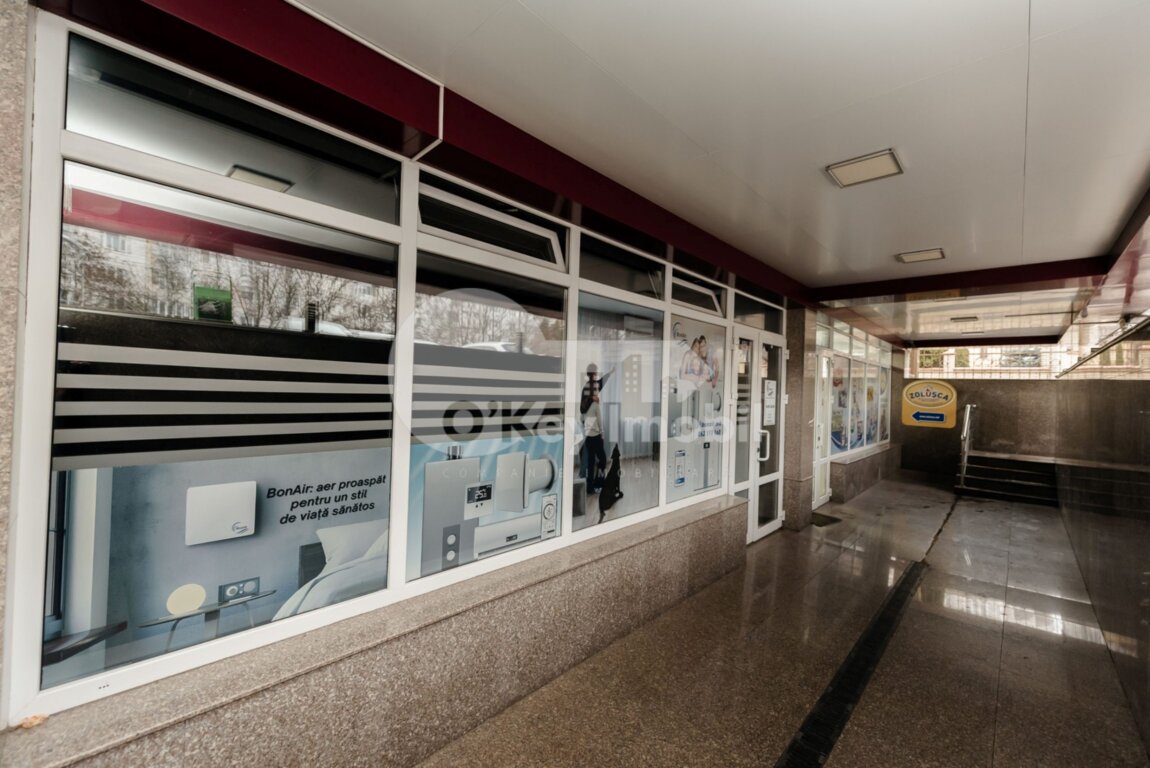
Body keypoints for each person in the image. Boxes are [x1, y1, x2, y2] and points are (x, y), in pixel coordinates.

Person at [580, 362, 613, 494]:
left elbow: (601, 382)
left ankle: (589, 487)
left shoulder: (589, 388)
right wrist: (602, 433)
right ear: (593, 373)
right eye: (596, 372)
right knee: (601, 459)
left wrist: (610, 373)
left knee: (590, 460)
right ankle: (598, 483)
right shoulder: (593, 399)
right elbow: (597, 419)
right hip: (594, 434)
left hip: (588, 433)